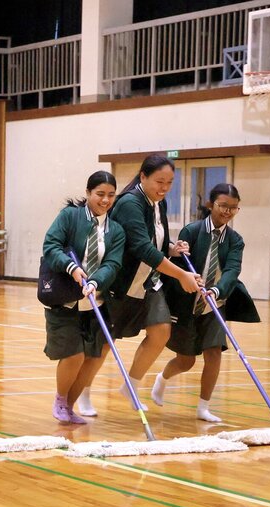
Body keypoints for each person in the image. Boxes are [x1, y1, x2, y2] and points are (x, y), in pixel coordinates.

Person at [151, 184, 260, 421]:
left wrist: (217, 290)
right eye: (223, 206)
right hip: (186, 304)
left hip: (214, 304)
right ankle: (162, 379)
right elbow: (178, 267)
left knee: (214, 354)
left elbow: (232, 270)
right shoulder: (191, 231)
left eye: (233, 208)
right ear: (211, 205)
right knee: (186, 360)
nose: (228, 212)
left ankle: (203, 408)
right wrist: (178, 255)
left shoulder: (235, 240)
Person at [107, 154, 202, 409]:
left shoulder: (159, 203)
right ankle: (81, 395)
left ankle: (131, 386)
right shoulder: (130, 203)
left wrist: (171, 248)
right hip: (121, 281)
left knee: (160, 330)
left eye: (170, 182)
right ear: (143, 177)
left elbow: (155, 242)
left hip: (149, 280)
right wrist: (181, 274)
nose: (164, 188)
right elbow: (141, 247)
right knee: (105, 340)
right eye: (160, 181)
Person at [41, 170, 125, 423]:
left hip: (95, 300)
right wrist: (73, 268)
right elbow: (51, 246)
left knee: (94, 355)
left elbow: (113, 263)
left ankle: (70, 405)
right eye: (100, 194)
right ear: (88, 193)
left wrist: (96, 281)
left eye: (111, 195)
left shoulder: (116, 230)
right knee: (74, 354)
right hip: (65, 298)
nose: (105, 200)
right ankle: (60, 399)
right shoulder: (70, 217)